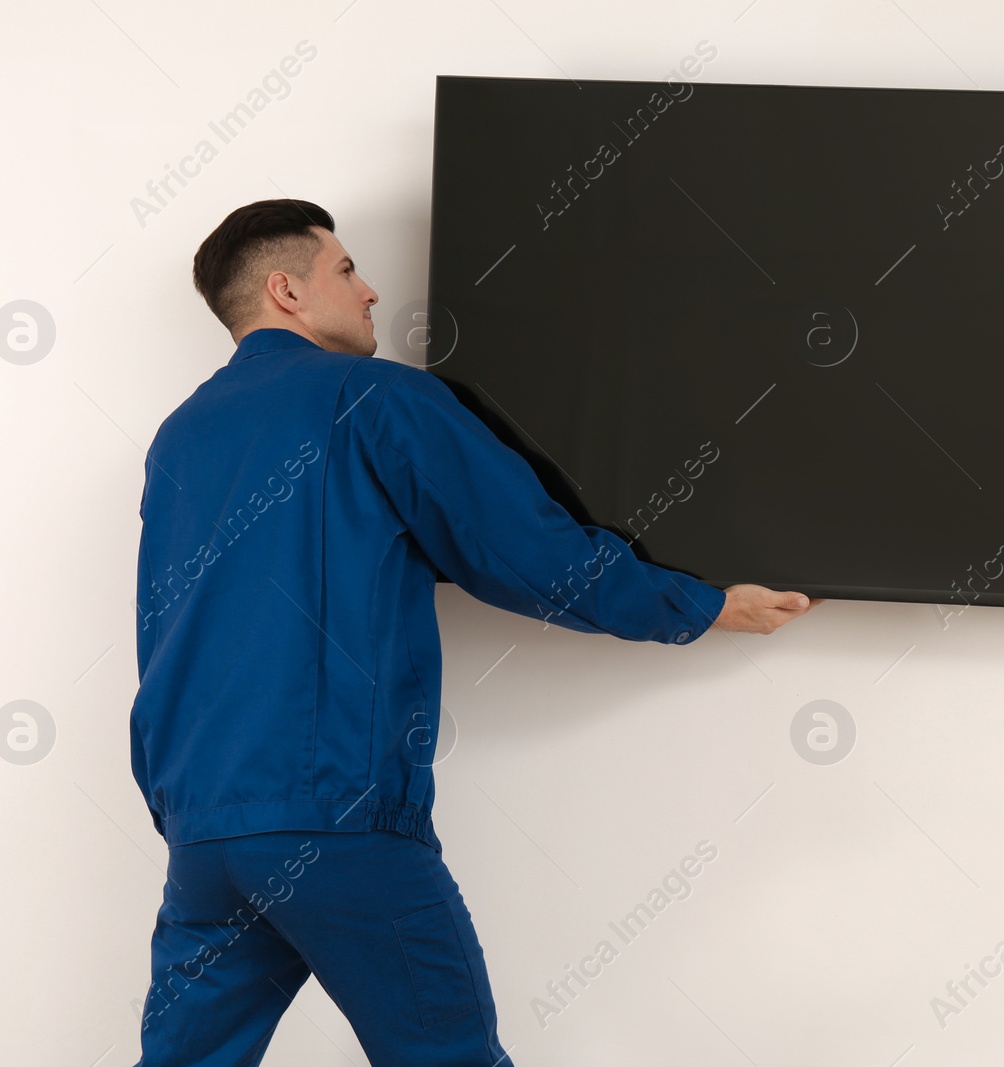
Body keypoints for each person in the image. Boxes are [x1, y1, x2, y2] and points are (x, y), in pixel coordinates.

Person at [128, 199, 822, 1066]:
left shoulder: (181, 437)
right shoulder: (372, 399)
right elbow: (526, 550)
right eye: (346, 270)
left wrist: (180, 805)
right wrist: (704, 605)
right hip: (335, 818)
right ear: (286, 291)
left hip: (202, 833)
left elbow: (163, 630)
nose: (373, 289)